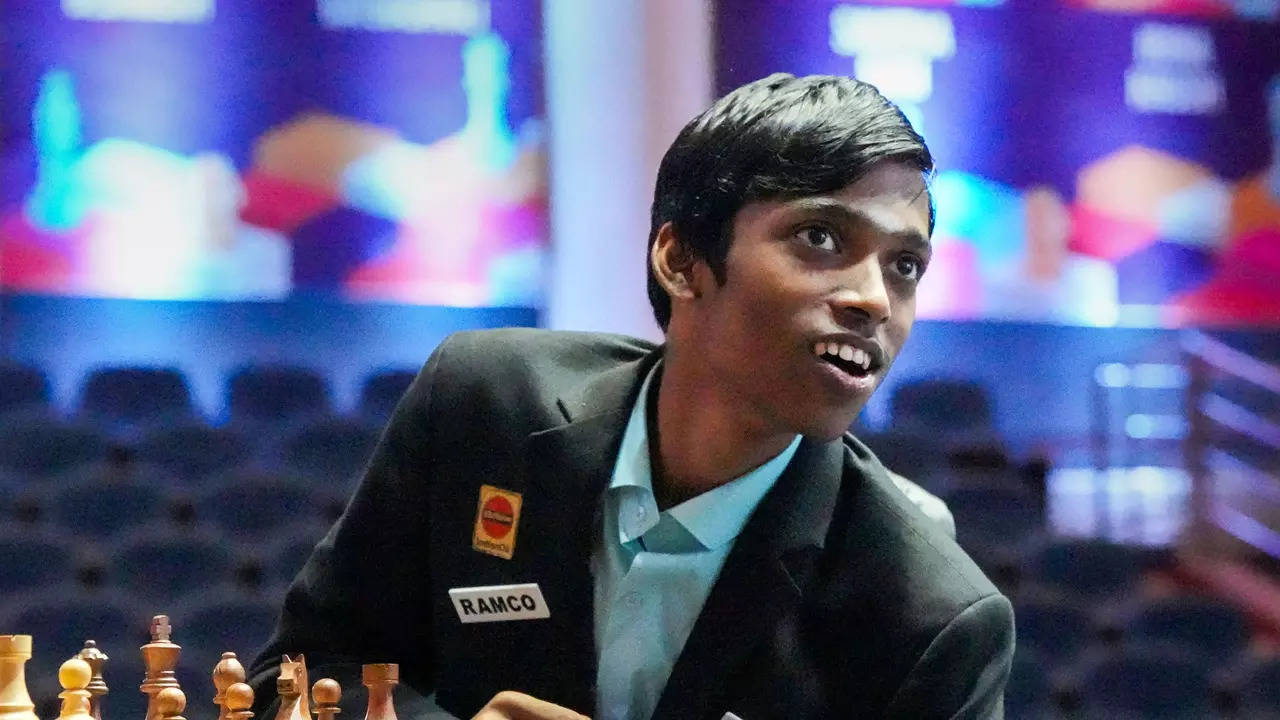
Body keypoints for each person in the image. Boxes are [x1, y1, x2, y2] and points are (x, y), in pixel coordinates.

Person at [248, 73, 1015, 720]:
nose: (873, 299)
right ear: (681, 259)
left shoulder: (935, 622)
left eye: (905, 266)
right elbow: (298, 676)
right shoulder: (482, 405)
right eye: (821, 239)